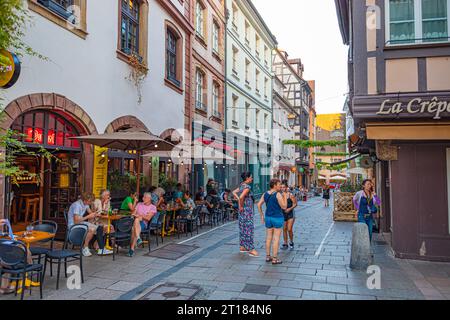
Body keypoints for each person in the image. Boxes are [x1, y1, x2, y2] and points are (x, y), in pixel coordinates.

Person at [257, 179, 287, 265]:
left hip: (268, 218)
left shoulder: (265, 194)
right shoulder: (278, 194)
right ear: (274, 185)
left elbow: (259, 204)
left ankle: (267, 256)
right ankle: (274, 259)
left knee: (268, 237)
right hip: (277, 218)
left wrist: (261, 215)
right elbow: (284, 207)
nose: (280, 186)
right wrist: (284, 196)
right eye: (279, 184)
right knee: (276, 238)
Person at [232, 172, 258, 257]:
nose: (252, 178)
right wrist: (241, 205)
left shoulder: (242, 185)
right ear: (247, 178)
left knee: (243, 228)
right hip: (247, 211)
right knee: (248, 229)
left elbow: (233, 192)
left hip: (243, 211)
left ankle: (242, 246)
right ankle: (251, 249)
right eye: (251, 177)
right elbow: (242, 197)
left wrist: (239, 203)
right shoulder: (247, 187)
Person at [128, 193, 157, 257]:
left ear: (149, 199)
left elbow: (148, 218)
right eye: (143, 197)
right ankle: (137, 240)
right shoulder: (139, 204)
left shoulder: (153, 207)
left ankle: (132, 247)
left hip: (144, 223)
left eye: (145, 197)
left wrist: (139, 216)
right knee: (136, 221)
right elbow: (133, 214)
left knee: (134, 228)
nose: (143, 198)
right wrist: (137, 215)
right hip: (135, 222)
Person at [281, 181, 298, 250]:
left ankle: (291, 241)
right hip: (283, 214)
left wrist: (289, 209)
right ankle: (285, 243)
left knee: (289, 229)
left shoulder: (290, 195)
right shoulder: (280, 195)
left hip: (290, 213)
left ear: (286, 187)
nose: (282, 188)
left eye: (284, 187)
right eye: (281, 187)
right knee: (284, 229)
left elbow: (295, 204)